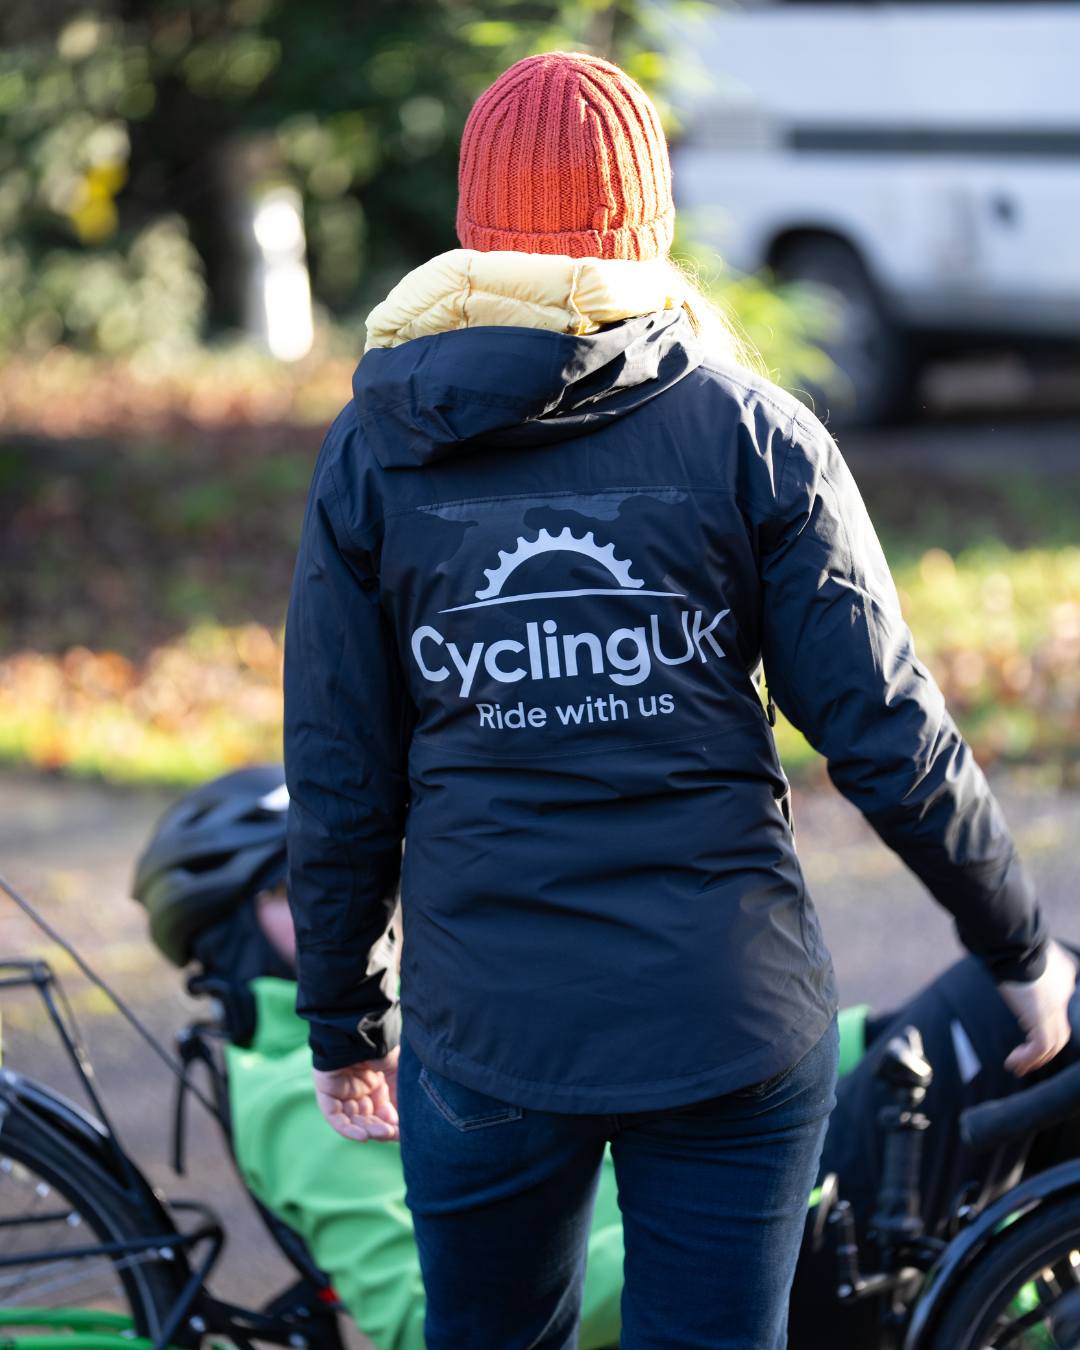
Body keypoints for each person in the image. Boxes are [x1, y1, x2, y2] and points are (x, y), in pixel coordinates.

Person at [281, 50, 1076, 1349]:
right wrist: (1020, 952)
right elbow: (891, 736)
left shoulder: (380, 445)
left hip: (490, 1030)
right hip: (731, 1019)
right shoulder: (753, 432)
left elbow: (338, 765)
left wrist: (342, 1014)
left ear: (479, 231)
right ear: (646, 226)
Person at [131, 769, 1080, 1350]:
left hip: (732, 1204)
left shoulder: (408, 1016)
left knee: (1030, 1023)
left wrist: (863, 1039)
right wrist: (712, 1228)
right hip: (714, 1267)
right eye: (296, 888)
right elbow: (431, 1323)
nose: (355, 900)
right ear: (227, 934)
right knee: (1023, 1010)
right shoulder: (296, 1090)